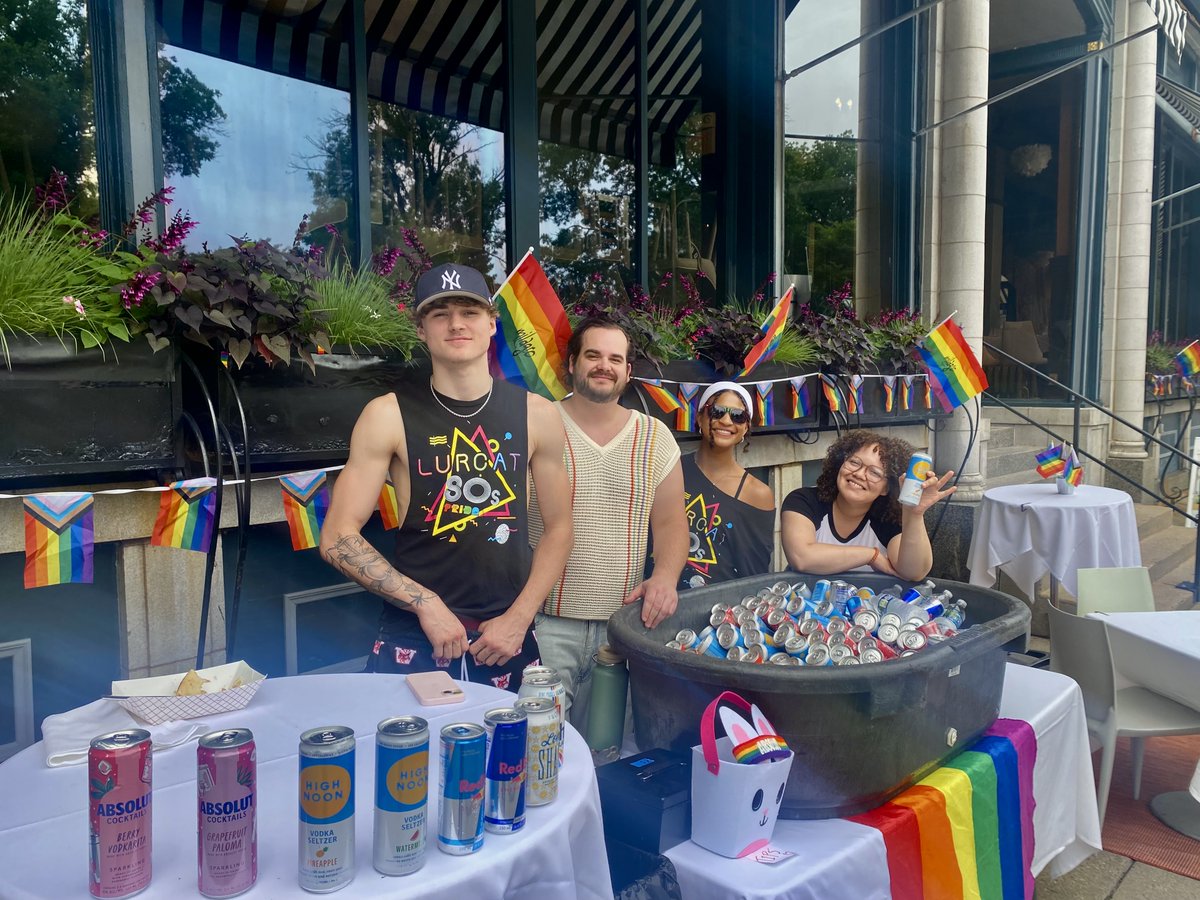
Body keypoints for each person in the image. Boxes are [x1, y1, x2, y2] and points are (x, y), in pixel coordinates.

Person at [319, 262, 572, 687]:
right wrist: (424, 604)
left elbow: (560, 528)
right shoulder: (387, 415)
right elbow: (337, 537)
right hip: (414, 636)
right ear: (421, 329)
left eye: (469, 312)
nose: (456, 324)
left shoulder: (538, 415)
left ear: (492, 323)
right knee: (406, 755)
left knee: (509, 754)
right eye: (440, 314)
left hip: (505, 636)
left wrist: (520, 616)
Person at [528, 316, 688, 728]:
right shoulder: (535, 424)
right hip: (545, 623)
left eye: (616, 358)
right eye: (593, 355)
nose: (604, 365)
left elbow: (671, 525)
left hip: (622, 627)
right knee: (539, 747)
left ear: (628, 372)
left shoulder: (655, 435)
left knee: (606, 751)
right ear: (571, 364)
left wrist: (666, 578)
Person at [780, 430, 954, 581]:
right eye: (854, 462)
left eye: (874, 473)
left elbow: (913, 573)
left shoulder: (887, 518)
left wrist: (914, 514)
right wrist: (871, 556)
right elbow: (802, 557)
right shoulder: (803, 500)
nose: (859, 474)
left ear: (886, 488)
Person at [679, 381, 776, 589]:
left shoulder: (757, 493)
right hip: (660, 603)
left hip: (722, 612)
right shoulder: (671, 470)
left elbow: (754, 573)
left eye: (737, 416)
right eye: (717, 411)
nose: (725, 420)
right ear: (699, 417)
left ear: (746, 428)